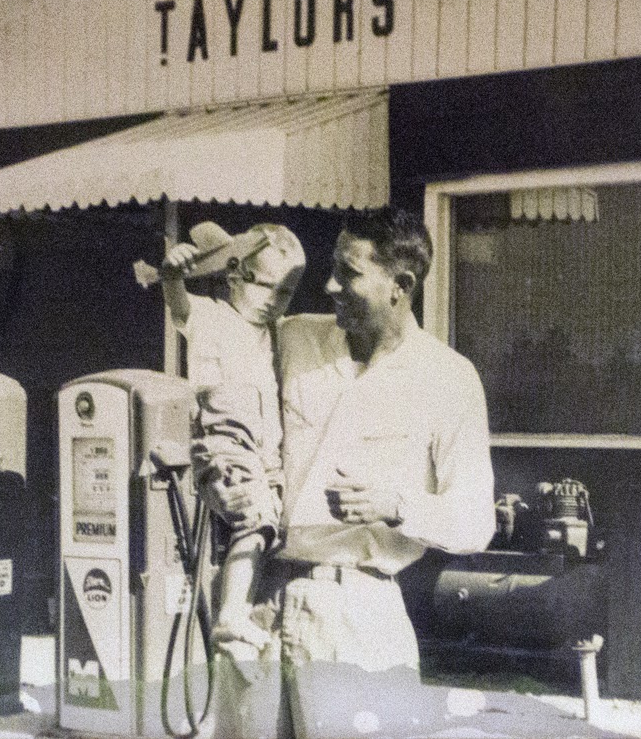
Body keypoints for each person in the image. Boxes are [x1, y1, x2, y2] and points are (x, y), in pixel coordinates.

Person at [206, 208, 497, 739]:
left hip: (358, 617)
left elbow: (476, 521)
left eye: (350, 273)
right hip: (258, 605)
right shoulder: (291, 340)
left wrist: (399, 504)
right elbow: (228, 396)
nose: (329, 284)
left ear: (400, 285)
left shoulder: (449, 379)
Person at [157, 220, 306, 653]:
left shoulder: (274, 336)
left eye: (286, 293)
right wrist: (171, 275)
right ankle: (229, 616)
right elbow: (178, 306)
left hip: (263, 454)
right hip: (223, 444)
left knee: (267, 529)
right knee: (255, 518)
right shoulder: (211, 317)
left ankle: (237, 606)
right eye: (266, 288)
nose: (274, 303)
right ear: (234, 274)